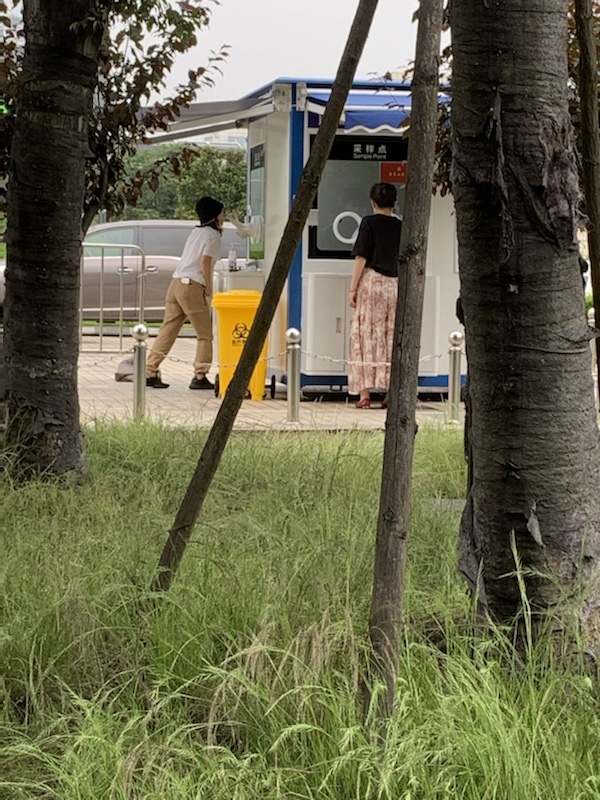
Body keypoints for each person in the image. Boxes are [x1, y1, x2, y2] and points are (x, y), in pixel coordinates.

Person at [146, 196, 224, 389]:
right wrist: (208, 286)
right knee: (205, 334)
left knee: (168, 329)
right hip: (192, 286)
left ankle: (150, 370)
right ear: (215, 216)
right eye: (222, 213)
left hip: (176, 283)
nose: (223, 217)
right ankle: (200, 376)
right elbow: (205, 261)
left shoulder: (196, 232)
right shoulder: (213, 235)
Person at [347, 182, 402, 409]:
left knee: (364, 334)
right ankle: (391, 391)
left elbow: (361, 257)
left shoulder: (368, 223)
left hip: (372, 283)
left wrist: (352, 289)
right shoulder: (401, 226)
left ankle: (364, 394)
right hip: (394, 285)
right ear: (394, 203)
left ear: (373, 202)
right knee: (390, 335)